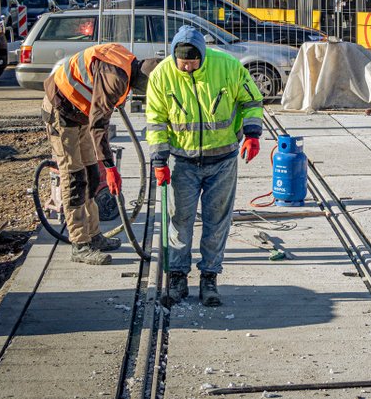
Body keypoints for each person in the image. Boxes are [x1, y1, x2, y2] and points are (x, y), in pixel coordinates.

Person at [145, 26, 264, 306]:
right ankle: (177, 276)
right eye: (182, 62)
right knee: (179, 221)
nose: (187, 67)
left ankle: (209, 277)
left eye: (192, 61)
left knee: (216, 222)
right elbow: (156, 120)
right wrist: (159, 160)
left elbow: (252, 100)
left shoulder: (228, 67)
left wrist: (252, 134)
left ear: (203, 56)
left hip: (222, 160)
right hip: (182, 162)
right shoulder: (162, 75)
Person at [43, 44, 159, 265]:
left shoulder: (128, 63)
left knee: (91, 175)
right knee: (75, 178)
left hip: (80, 112)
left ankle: (93, 235)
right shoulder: (116, 78)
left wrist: (103, 167)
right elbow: (98, 125)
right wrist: (111, 167)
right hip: (60, 109)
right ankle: (80, 244)